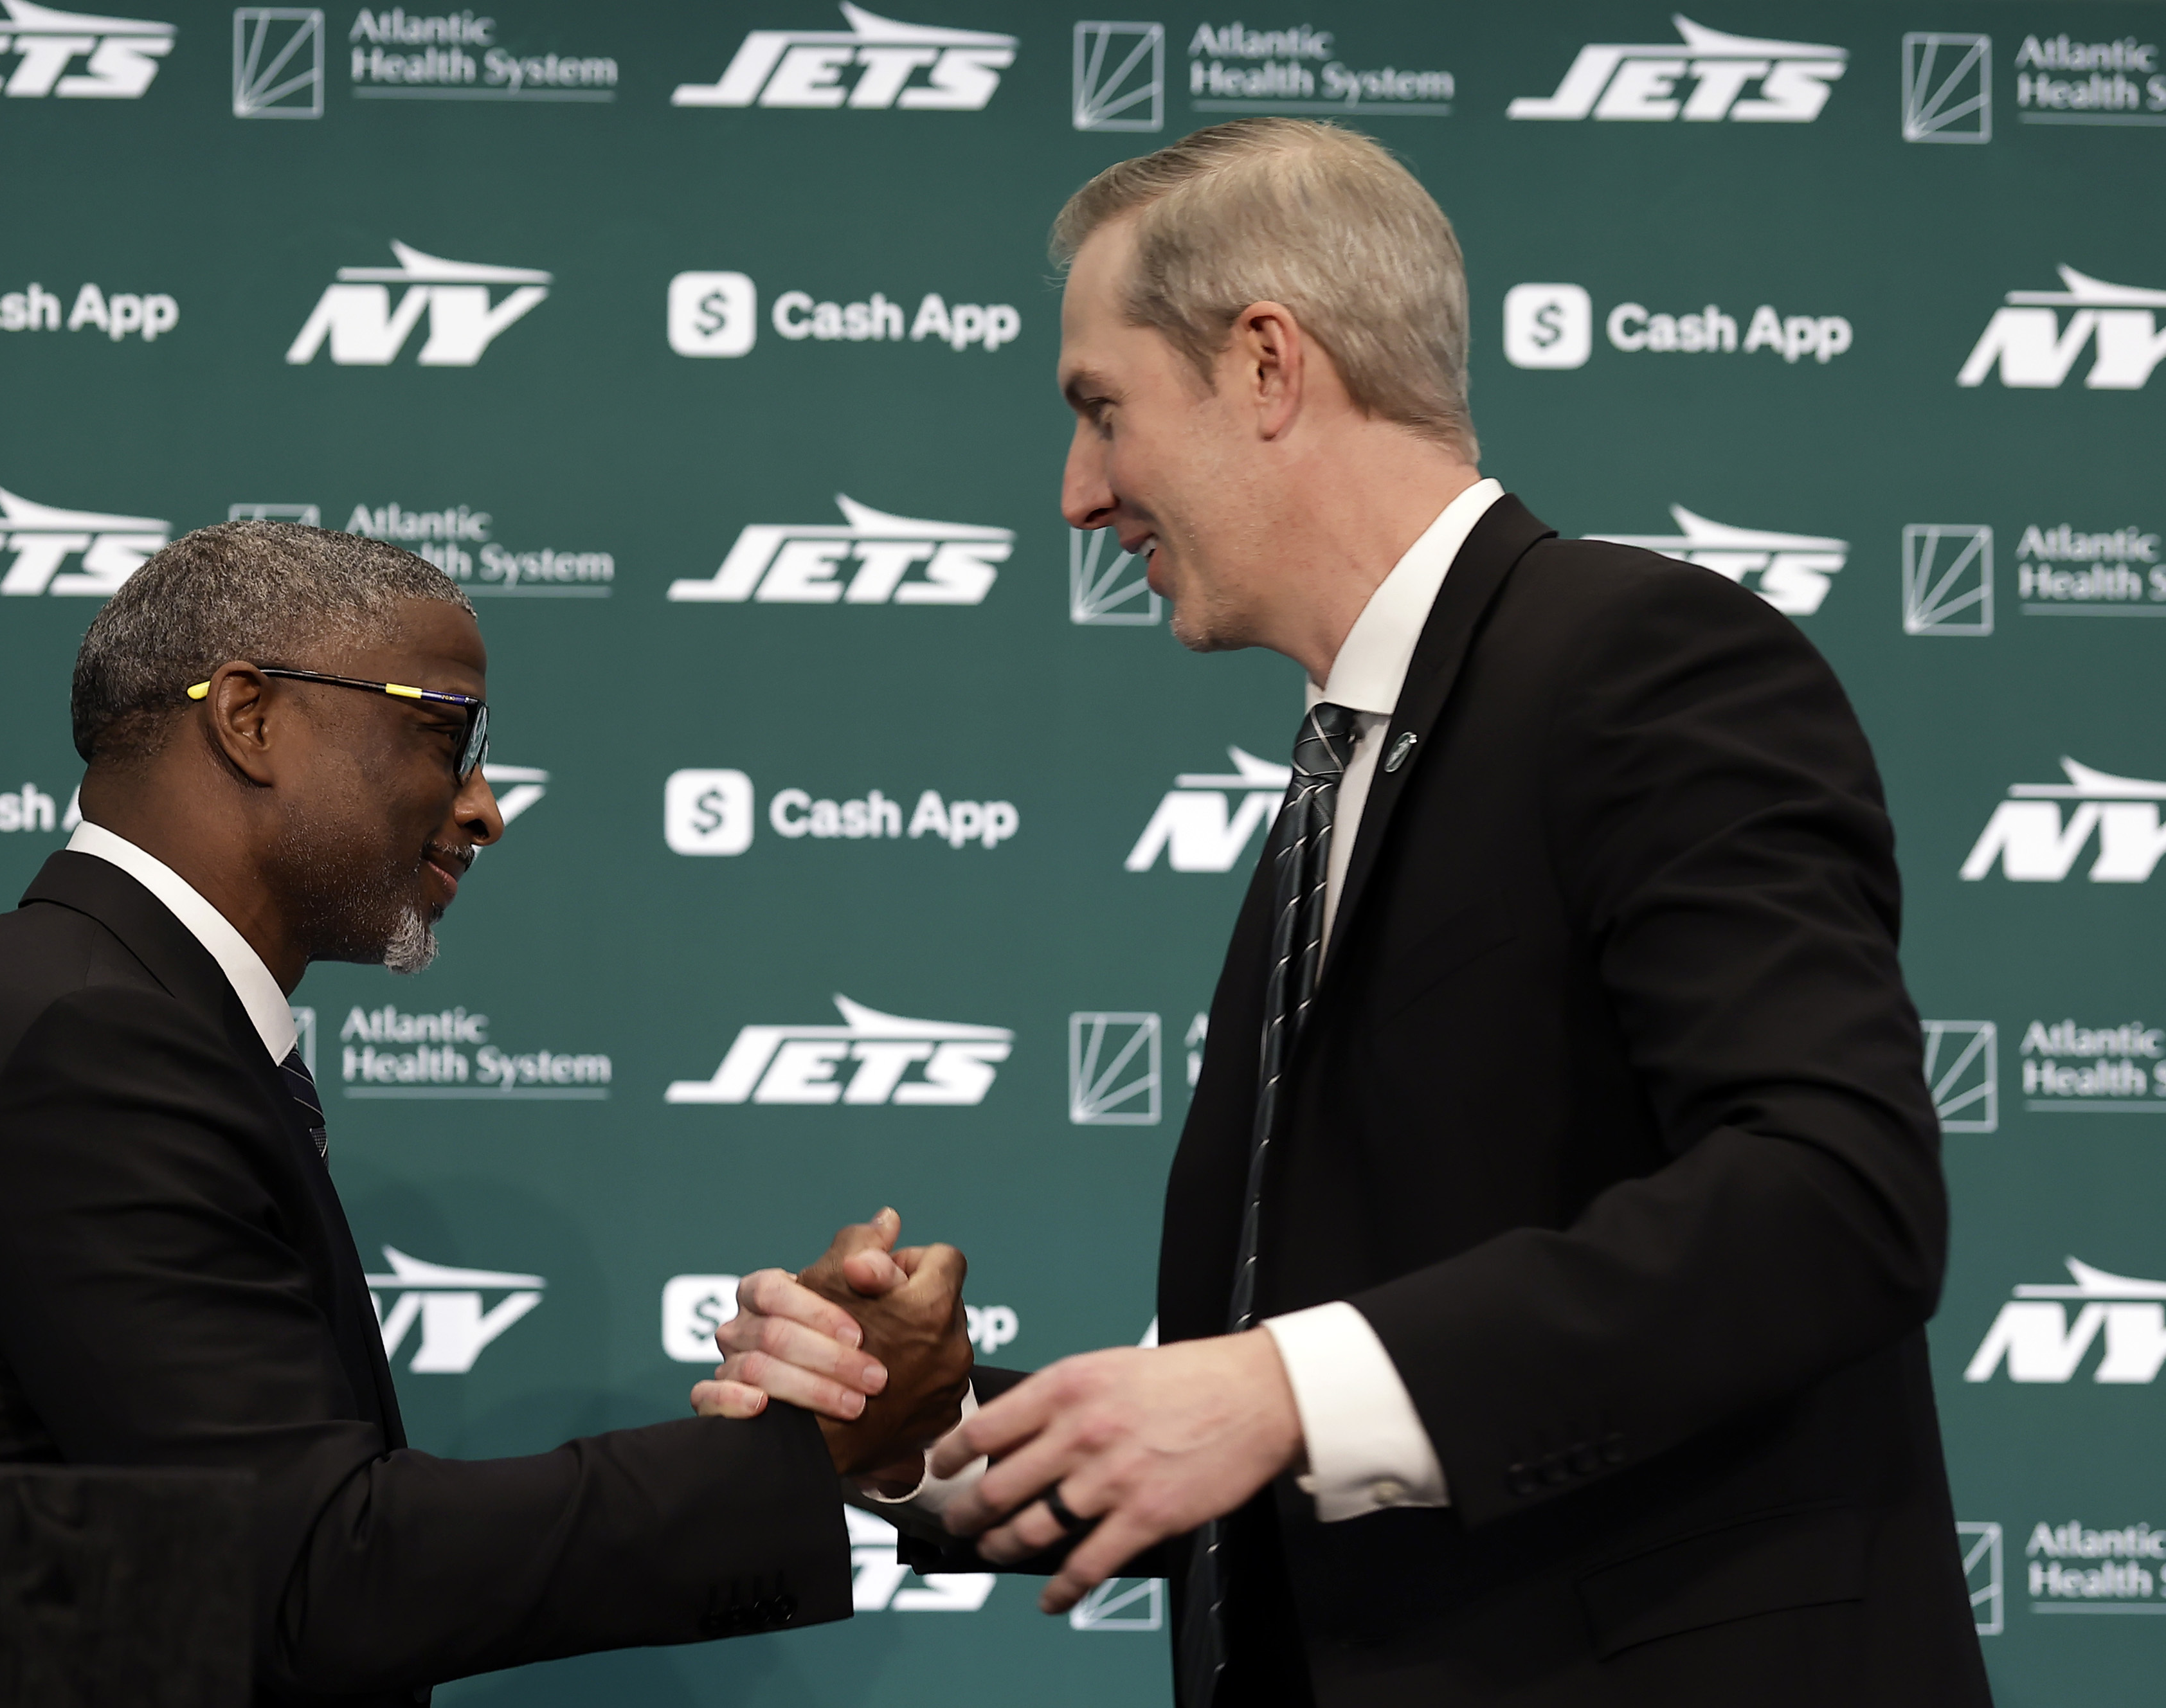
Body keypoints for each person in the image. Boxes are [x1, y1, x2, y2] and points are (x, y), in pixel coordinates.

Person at [701, 120, 1992, 1706]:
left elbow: (1832, 1199)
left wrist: (1269, 1390)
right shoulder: (1346, 771)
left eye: (1100, 410)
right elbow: (1300, 1433)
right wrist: (922, 1435)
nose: (1077, 493)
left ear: (1263, 366)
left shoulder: (1637, 659)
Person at [0, 521, 973, 1707]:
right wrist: (795, 1454)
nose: (484, 807)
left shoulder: (92, 1004)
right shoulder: (94, 1039)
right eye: (443, 733)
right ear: (249, 718)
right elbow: (309, 1574)